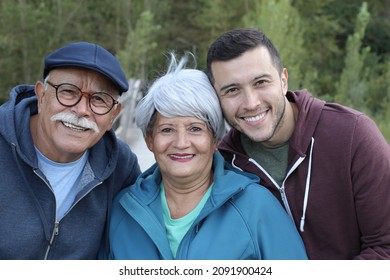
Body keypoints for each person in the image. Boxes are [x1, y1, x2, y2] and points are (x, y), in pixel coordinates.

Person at [206, 27, 390, 260]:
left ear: (283, 81)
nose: (251, 103)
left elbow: (385, 247)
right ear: (217, 98)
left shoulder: (352, 134)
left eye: (261, 82)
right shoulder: (221, 164)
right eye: (232, 90)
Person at [105, 52, 307, 260]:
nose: (181, 143)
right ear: (149, 140)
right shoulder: (124, 211)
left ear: (216, 140)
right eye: (167, 130)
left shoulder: (257, 208)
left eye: (195, 129)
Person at [0, 42, 141, 259]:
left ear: (113, 116)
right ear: (41, 95)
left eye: (99, 99)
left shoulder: (120, 166)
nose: (82, 110)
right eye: (68, 92)